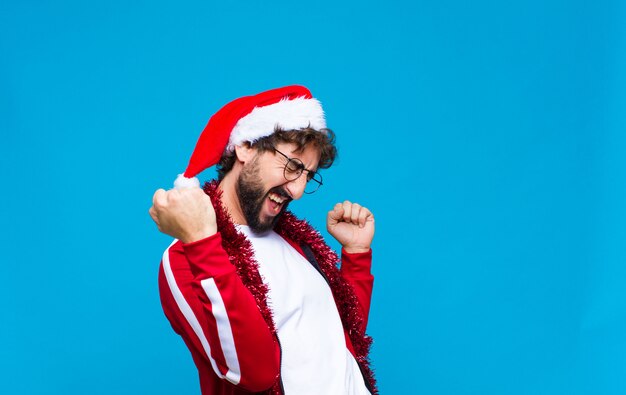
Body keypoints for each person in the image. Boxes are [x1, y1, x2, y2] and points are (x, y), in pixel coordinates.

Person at [149, 85, 377, 395]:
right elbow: (254, 372)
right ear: (245, 146)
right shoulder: (185, 260)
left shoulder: (296, 244)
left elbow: (342, 341)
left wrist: (357, 254)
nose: (297, 191)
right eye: (293, 166)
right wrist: (201, 242)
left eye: (308, 176)